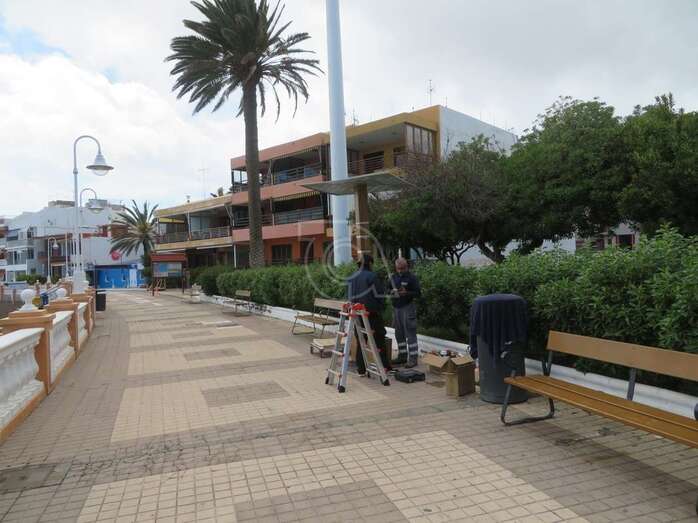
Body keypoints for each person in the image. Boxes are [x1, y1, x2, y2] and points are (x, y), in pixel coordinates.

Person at [346, 253, 389, 374]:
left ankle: (361, 368)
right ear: (369, 263)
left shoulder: (352, 277)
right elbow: (379, 294)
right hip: (371, 313)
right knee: (379, 338)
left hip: (356, 313)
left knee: (361, 340)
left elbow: (349, 296)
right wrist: (381, 307)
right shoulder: (372, 276)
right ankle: (384, 366)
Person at [390, 257, 421, 368]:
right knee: (399, 334)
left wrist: (406, 293)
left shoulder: (412, 278)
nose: (400, 271)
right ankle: (402, 356)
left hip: (408, 307)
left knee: (410, 333)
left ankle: (413, 359)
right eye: (398, 268)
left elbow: (418, 293)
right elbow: (387, 289)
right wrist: (392, 292)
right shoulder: (393, 277)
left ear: (406, 266)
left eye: (402, 268)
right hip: (396, 308)